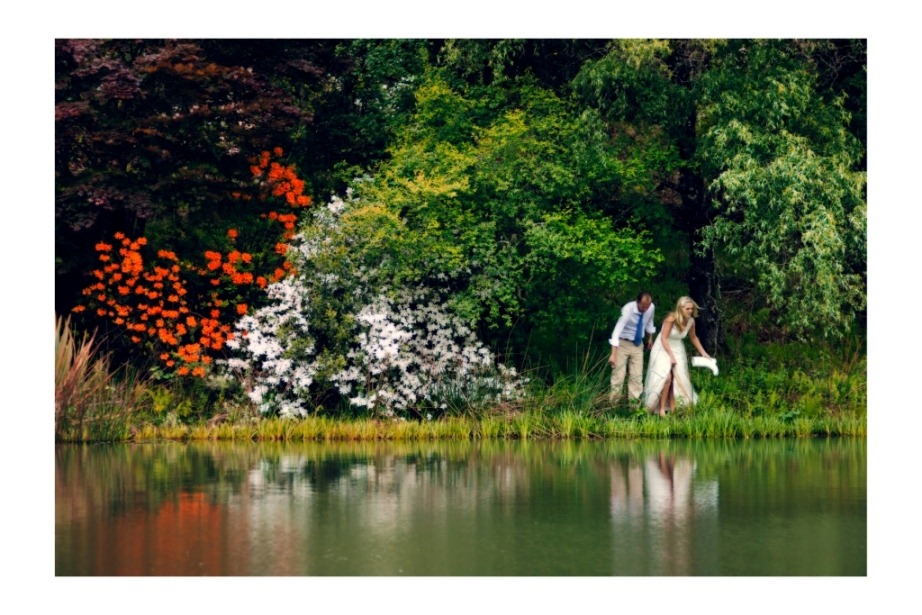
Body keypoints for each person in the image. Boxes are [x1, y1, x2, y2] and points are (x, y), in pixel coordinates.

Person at [643, 296, 712, 416]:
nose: (690, 311)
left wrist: (704, 353)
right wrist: (671, 356)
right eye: (687, 309)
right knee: (666, 377)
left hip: (677, 348)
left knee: (677, 378)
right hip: (662, 348)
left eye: (692, 309)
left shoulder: (691, 321)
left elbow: (693, 338)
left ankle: (673, 407)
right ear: (680, 308)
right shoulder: (671, 319)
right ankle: (660, 409)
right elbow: (663, 338)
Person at [608, 292, 655, 403]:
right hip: (622, 343)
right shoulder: (627, 310)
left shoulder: (651, 307)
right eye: (643, 306)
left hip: (638, 345)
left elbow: (649, 322)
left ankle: (634, 406)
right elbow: (616, 331)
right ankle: (613, 404)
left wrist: (650, 338)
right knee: (618, 375)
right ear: (637, 302)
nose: (645, 309)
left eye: (647, 306)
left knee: (637, 376)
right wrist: (613, 354)